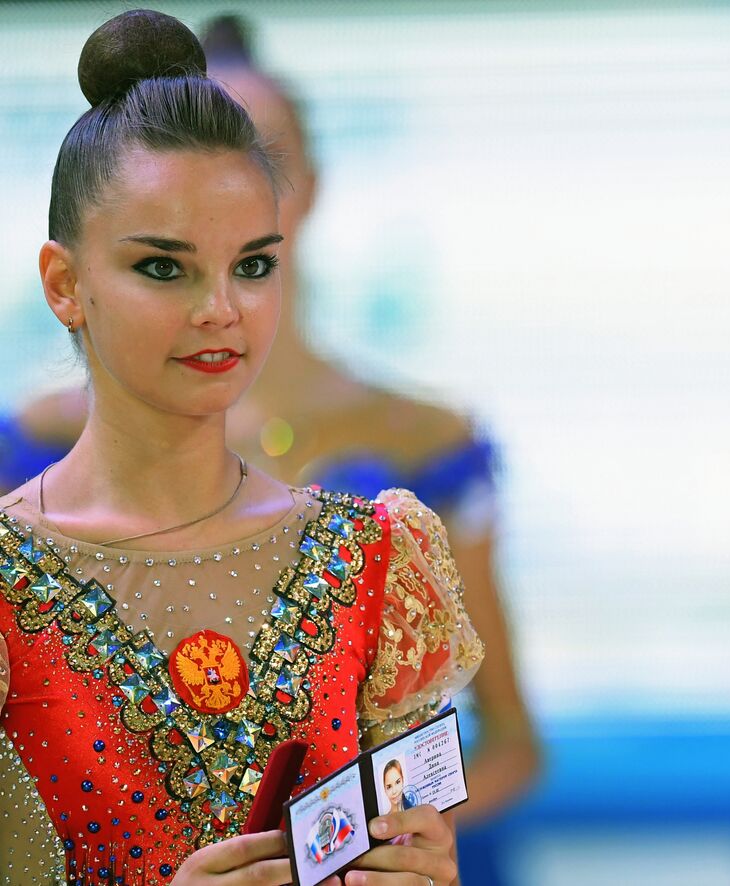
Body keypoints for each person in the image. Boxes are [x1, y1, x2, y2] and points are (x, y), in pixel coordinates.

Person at [1, 10, 541, 830]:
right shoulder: (20, 536)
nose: (218, 309)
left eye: (250, 264)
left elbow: (485, 749)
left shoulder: (377, 540)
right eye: (162, 266)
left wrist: (396, 850)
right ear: (66, 282)